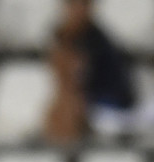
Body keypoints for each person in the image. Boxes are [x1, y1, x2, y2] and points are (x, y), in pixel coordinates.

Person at [44, 0, 139, 143]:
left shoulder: (97, 42)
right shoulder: (63, 35)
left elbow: (79, 80)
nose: (77, 10)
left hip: (109, 102)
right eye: (73, 5)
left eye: (82, 5)